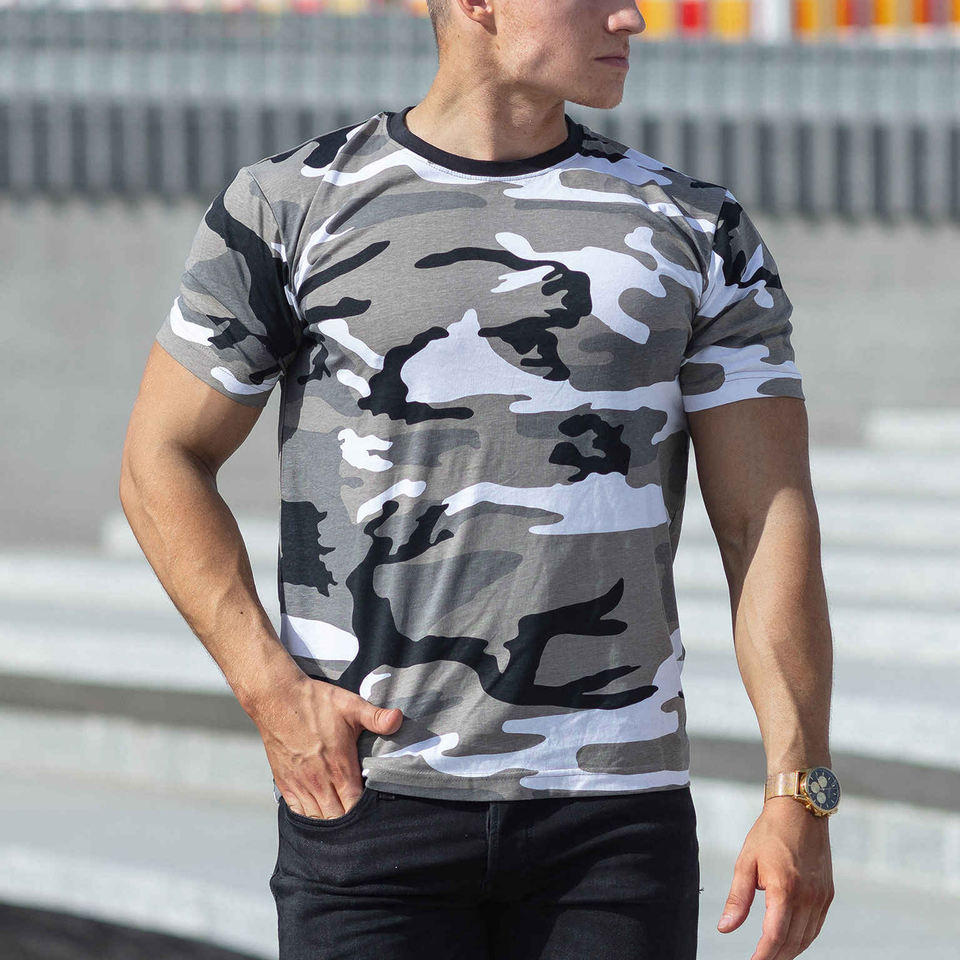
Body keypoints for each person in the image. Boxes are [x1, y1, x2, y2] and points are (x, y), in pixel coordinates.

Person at [119, 1, 835, 958]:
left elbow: (765, 518)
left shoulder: (698, 227)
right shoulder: (291, 205)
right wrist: (270, 691)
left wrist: (799, 788)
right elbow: (160, 459)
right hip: (370, 806)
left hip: (614, 822)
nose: (632, 16)